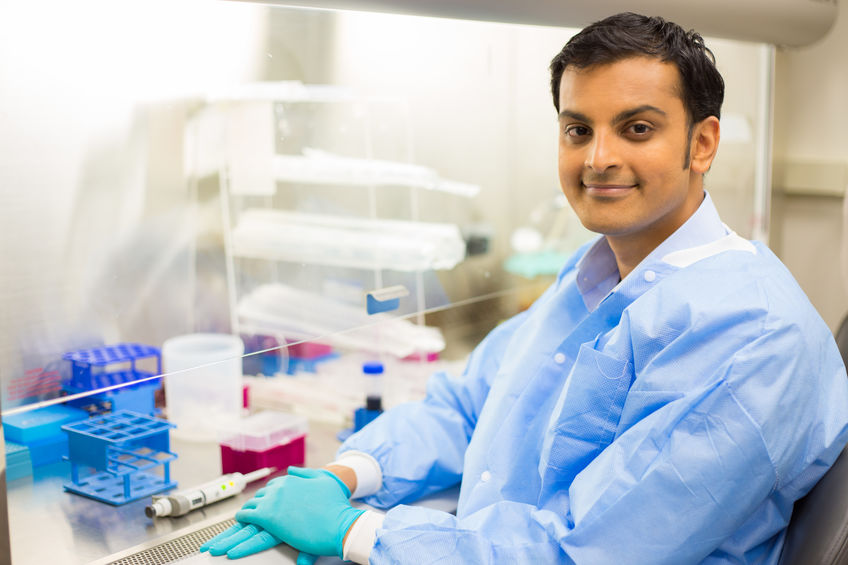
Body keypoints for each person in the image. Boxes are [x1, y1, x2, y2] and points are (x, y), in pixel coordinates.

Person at [201, 12, 848, 564]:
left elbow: (582, 550)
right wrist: (347, 475)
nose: (598, 158)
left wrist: (360, 531)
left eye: (637, 128)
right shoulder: (592, 275)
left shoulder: (750, 334)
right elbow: (466, 406)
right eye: (578, 129)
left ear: (702, 142)